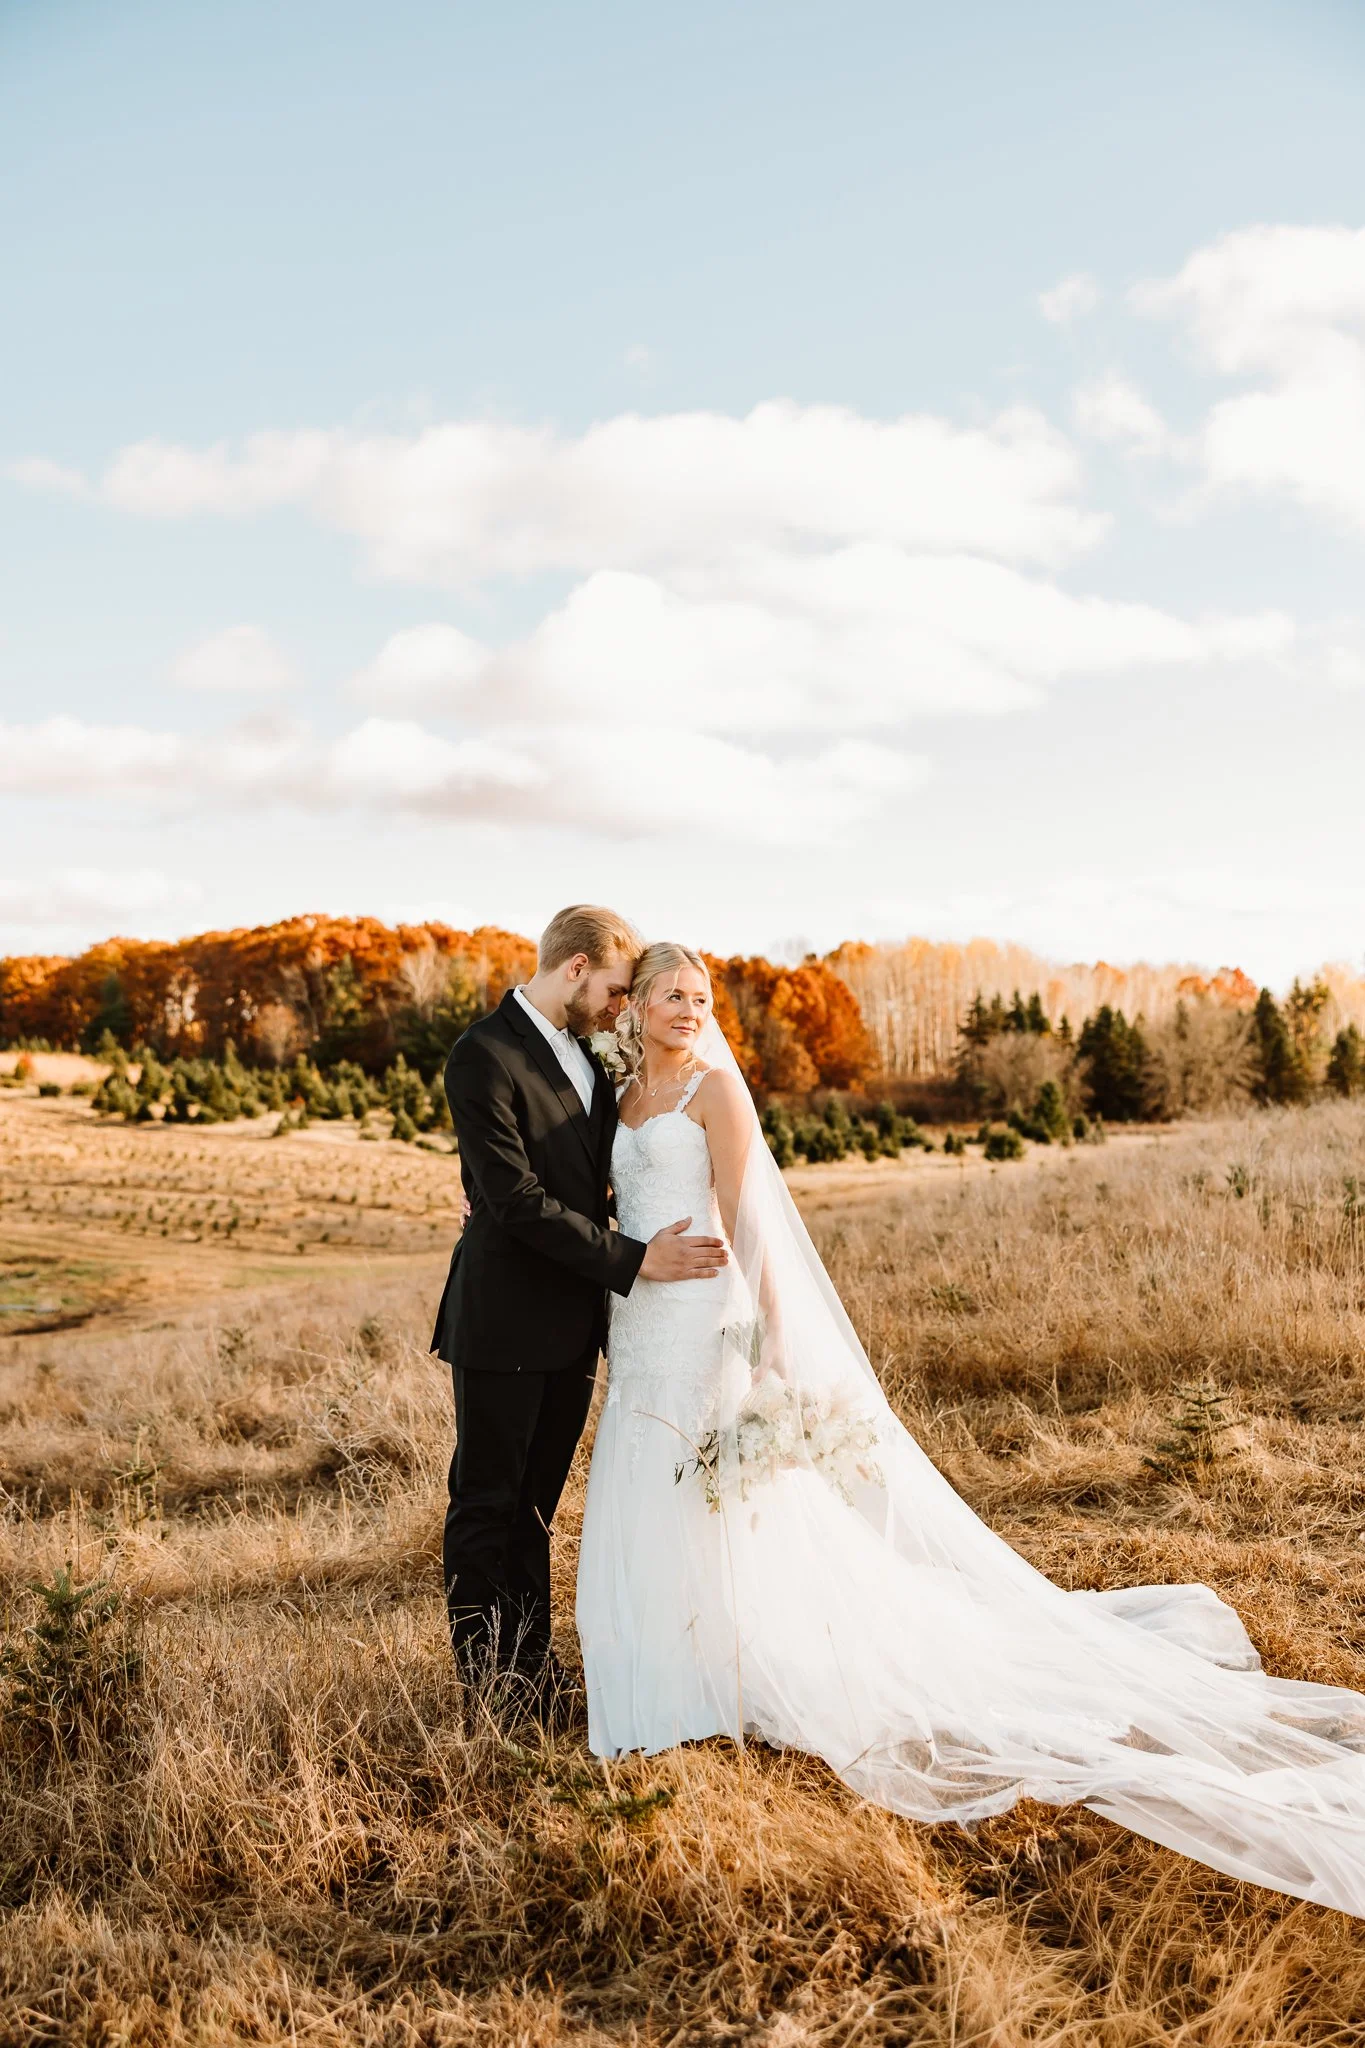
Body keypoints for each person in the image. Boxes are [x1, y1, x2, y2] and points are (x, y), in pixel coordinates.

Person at [576, 942, 1365, 1918]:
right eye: (670, 994)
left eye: (700, 995)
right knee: (645, 1478)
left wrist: (777, 1334)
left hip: (706, 1318)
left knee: (723, 1496)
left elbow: (748, 1213)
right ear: (637, 1005)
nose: (689, 1008)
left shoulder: (713, 1091)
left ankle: (726, 1678)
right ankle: (661, 1674)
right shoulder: (617, 1097)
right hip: (641, 1320)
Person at [431, 906, 726, 1714]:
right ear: (573, 969)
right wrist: (635, 1259)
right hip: (500, 1321)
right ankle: (486, 1684)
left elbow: (588, 1182)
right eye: (614, 988)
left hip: (573, 1326)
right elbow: (515, 1197)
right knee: (486, 1505)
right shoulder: (481, 1055)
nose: (617, 1006)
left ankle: (533, 1672)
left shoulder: (591, 1064)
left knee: (535, 1510)